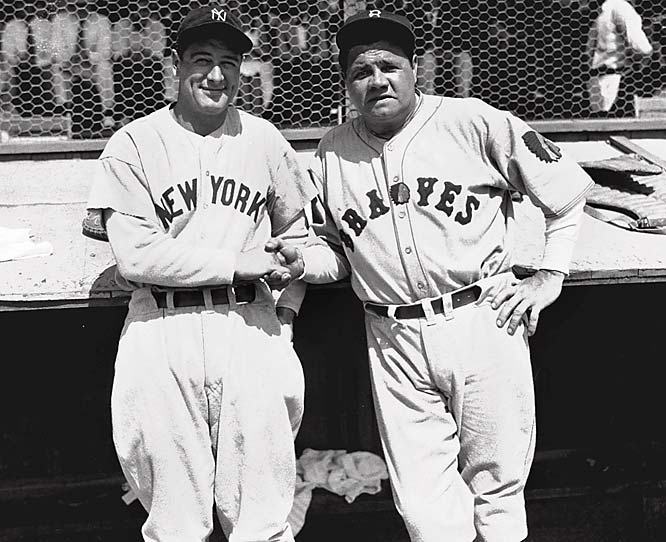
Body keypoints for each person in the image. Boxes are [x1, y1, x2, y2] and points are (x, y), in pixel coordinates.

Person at [268, 10, 594, 542]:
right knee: (423, 511)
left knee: (498, 496)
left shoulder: (473, 121)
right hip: (392, 335)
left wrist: (549, 276)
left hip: (482, 319)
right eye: (360, 71)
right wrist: (302, 263)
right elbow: (336, 254)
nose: (377, 80)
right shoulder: (331, 152)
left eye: (389, 65)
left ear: (415, 67)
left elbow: (566, 195)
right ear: (347, 83)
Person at [85, 5, 315, 541]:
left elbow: (302, 240)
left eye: (229, 63)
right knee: (174, 523)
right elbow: (137, 258)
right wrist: (237, 260)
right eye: (202, 60)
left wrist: (286, 317)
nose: (216, 75)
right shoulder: (133, 144)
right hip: (161, 330)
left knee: (262, 517)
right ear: (175, 64)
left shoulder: (264, 140)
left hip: (250, 324)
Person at [586, 0, 653, 117]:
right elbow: (640, 46)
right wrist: (652, 53)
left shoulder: (602, 9)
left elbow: (589, 49)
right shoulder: (621, 7)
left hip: (598, 80)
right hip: (617, 82)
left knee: (598, 126)